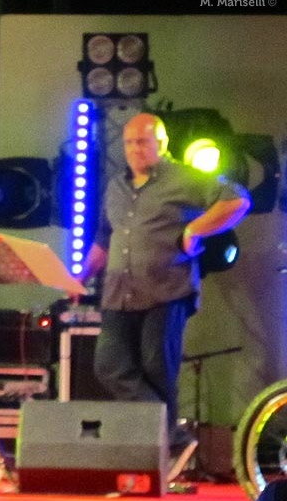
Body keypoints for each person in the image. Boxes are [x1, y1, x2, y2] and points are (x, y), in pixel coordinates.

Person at [78, 113, 250, 476]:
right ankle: (173, 438)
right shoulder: (116, 186)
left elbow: (237, 200)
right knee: (109, 366)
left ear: (162, 143)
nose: (135, 149)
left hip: (166, 290)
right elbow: (104, 239)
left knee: (157, 371)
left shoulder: (183, 178)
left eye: (143, 142)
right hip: (118, 294)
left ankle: (160, 454)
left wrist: (194, 230)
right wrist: (78, 277)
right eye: (129, 143)